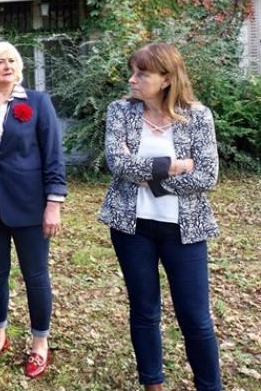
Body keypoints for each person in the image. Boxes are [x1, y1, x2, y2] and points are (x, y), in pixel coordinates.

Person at [99, 43, 222, 391]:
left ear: (166, 79)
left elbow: (207, 176)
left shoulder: (198, 116)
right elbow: (117, 164)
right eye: (133, 71)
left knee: (196, 319)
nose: (132, 79)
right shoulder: (120, 111)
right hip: (131, 227)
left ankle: (209, 386)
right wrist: (175, 166)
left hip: (185, 230)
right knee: (143, 310)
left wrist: (150, 181)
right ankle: (152, 384)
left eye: (142, 74)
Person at [0, 40, 66, 378]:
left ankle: (39, 343)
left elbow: (53, 156)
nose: (8, 66)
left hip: (30, 204)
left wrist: (53, 204)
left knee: (35, 276)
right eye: (0, 61)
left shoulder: (37, 103)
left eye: (13, 60)